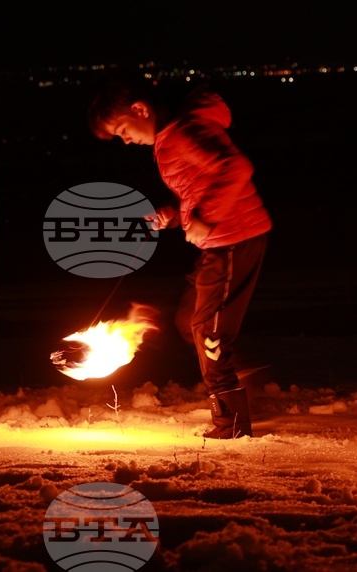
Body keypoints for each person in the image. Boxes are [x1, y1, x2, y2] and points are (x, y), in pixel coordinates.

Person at [88, 74, 272, 439]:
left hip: (234, 237)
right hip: (220, 240)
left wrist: (205, 218)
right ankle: (243, 383)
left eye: (123, 129)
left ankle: (231, 423)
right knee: (190, 317)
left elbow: (235, 168)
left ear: (140, 109)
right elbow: (199, 187)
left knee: (209, 331)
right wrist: (173, 214)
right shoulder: (169, 138)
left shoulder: (184, 132)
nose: (125, 140)